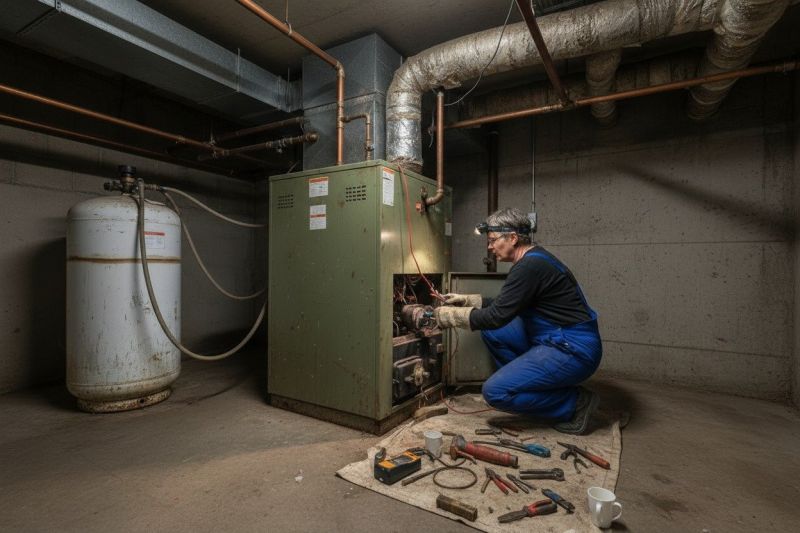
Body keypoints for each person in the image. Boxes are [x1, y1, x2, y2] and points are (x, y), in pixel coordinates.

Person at [434, 207, 602, 435]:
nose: (489, 246)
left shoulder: (529, 266)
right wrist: (468, 300)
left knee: (495, 393)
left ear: (513, 238)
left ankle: (575, 403)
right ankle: (528, 384)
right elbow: (506, 304)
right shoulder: (534, 259)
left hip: (573, 348)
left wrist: (449, 316)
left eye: (493, 240)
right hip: (555, 336)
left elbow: (496, 316)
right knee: (495, 332)